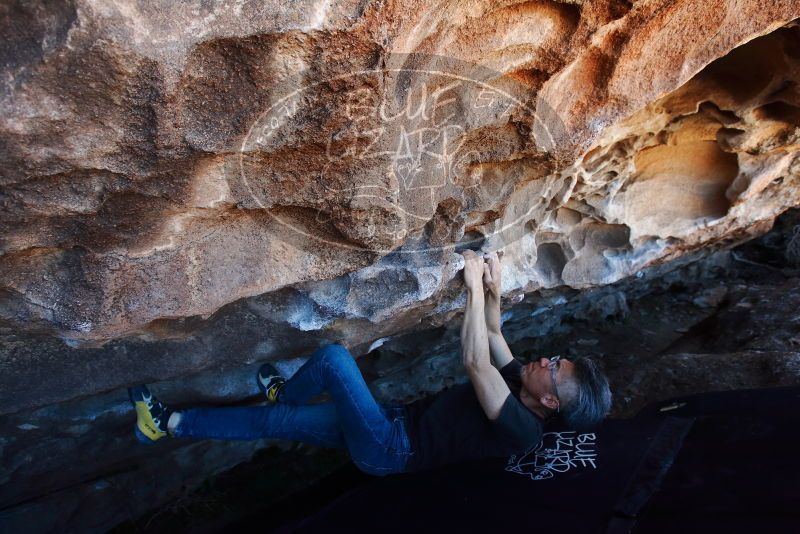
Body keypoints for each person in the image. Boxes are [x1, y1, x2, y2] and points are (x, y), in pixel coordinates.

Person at [129, 250, 612, 476]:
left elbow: (474, 359)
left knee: (337, 360)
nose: (547, 359)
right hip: (390, 421)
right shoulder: (525, 383)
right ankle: (168, 423)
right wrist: (492, 287)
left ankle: (286, 393)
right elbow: (491, 333)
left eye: (555, 368)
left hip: (387, 446)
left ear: (549, 400)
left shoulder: (521, 428)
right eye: (558, 358)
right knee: (278, 419)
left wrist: (466, 289)